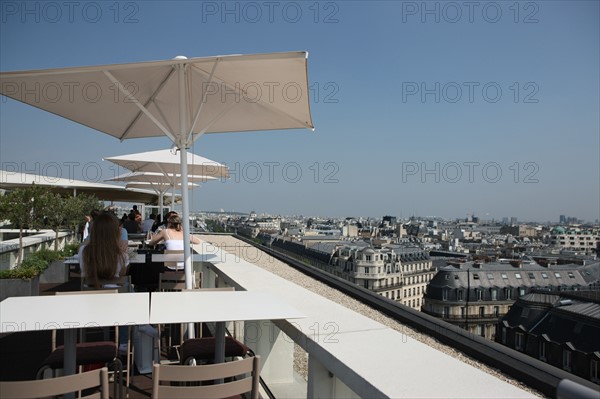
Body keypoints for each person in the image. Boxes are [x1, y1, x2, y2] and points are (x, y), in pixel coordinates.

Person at [78, 212, 129, 289]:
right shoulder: (122, 255)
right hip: (114, 294)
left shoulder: (83, 251)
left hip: (89, 293)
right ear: (116, 232)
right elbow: (122, 275)